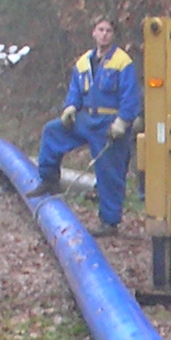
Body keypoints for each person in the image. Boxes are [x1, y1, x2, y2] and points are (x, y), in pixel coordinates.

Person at [32, 17, 140, 234]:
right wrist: (70, 107)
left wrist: (123, 122)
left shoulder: (122, 62)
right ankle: (49, 179)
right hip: (85, 119)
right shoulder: (84, 62)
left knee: (110, 172)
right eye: (100, 29)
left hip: (109, 124)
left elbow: (131, 96)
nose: (104, 34)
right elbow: (75, 90)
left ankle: (109, 222)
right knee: (53, 132)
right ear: (93, 32)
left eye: (108, 30)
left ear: (114, 35)